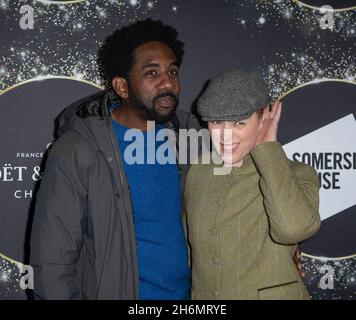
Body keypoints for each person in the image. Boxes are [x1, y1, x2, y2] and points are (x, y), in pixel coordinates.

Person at [30, 19, 200, 300]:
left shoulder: (190, 139)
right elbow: (52, 264)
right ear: (122, 87)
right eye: (151, 73)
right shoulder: (77, 150)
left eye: (172, 71)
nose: (168, 82)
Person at [184, 68, 321, 300]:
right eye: (217, 121)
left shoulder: (298, 174)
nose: (225, 135)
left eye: (239, 122)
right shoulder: (198, 171)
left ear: (263, 120)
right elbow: (191, 252)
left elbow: (293, 229)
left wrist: (266, 146)